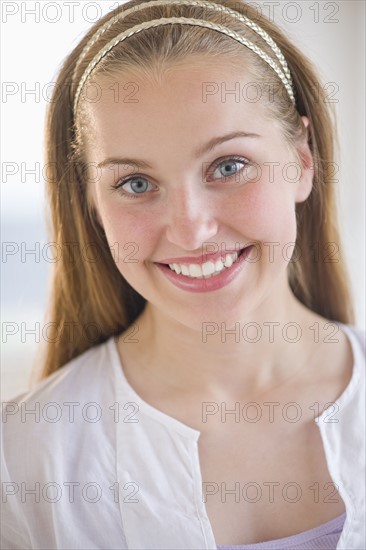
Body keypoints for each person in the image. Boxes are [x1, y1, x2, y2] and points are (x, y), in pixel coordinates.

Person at [1, 0, 365, 548]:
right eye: (135, 184)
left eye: (228, 166)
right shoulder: (21, 458)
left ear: (302, 161)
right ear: (93, 204)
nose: (191, 231)